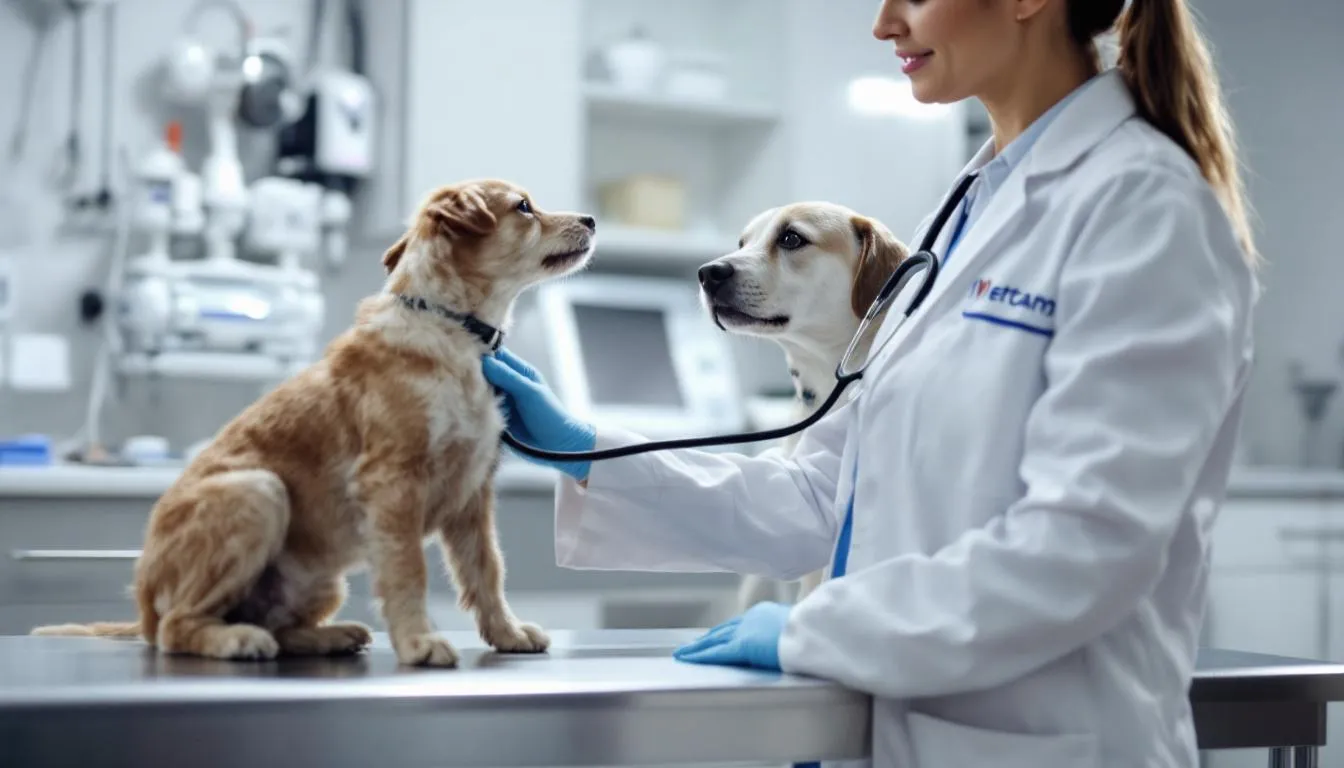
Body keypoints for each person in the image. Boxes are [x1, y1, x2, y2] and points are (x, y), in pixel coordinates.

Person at [482, 0, 1260, 765]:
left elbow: (1088, 544)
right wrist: (590, 454)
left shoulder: (1145, 204)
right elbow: (826, 496)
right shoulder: (964, 215)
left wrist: (815, 632)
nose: (884, 23)